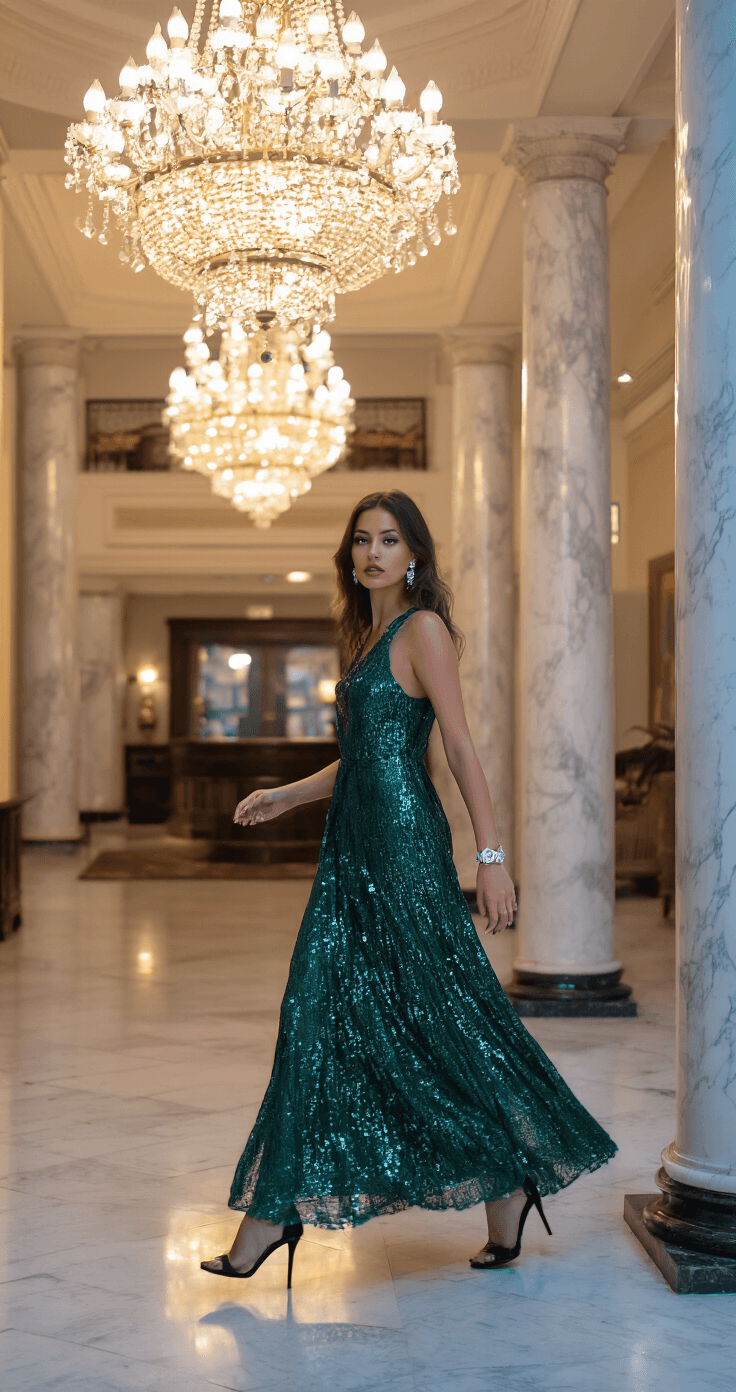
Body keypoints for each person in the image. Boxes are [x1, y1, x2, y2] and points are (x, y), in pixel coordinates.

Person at [201, 489, 616, 1284]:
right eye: (361, 540)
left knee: (444, 1017)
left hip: (402, 851)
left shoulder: (422, 630)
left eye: (389, 540)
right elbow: (363, 754)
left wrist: (490, 856)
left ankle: (282, 1216)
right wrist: (288, 794)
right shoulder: (366, 640)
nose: (373, 553)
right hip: (349, 852)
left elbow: (457, 744)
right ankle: (292, 1210)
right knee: (322, 1017)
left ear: (414, 554)